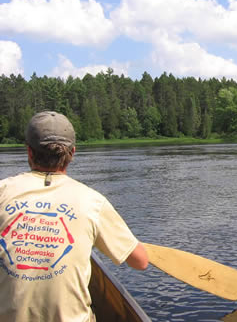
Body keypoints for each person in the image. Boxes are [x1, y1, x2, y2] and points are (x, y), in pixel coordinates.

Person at [0, 111, 149, 322]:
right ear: (73, 153)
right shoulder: (92, 202)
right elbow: (140, 262)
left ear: (29, 152)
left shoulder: (2, 191)